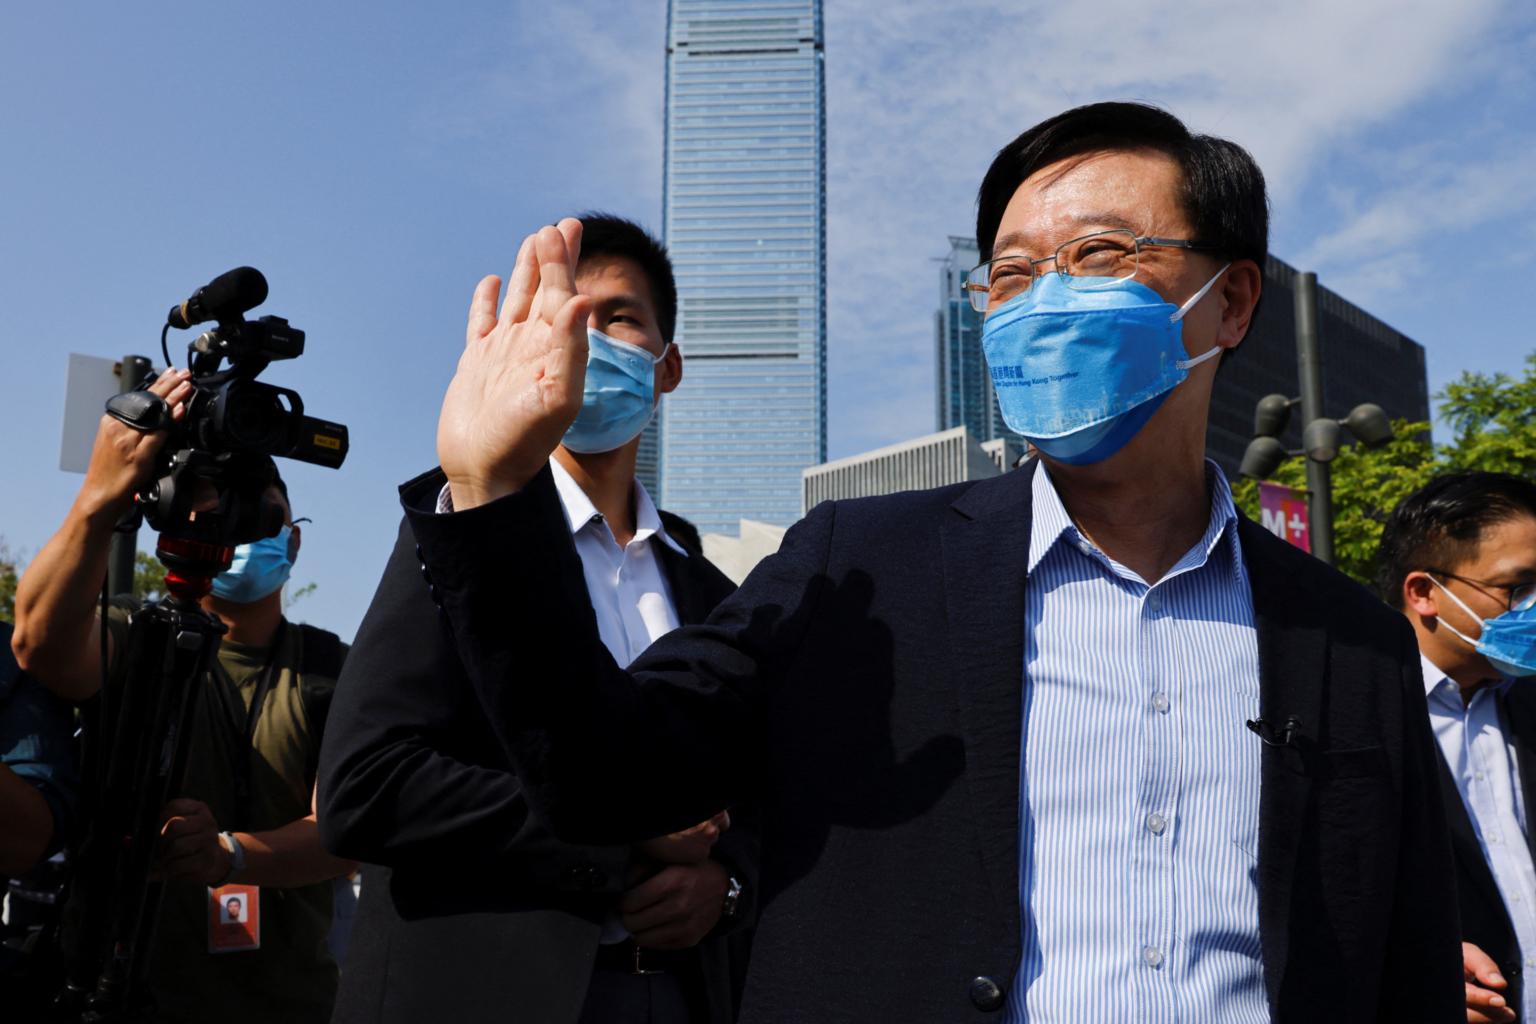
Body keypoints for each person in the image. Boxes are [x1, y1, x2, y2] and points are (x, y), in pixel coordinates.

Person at [366, 102, 1462, 1021]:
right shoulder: (858, 568)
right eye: (1011, 275)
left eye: (1098, 255)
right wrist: (493, 490)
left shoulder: (1352, 642)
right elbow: (607, 773)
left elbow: (1404, 958)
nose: (1044, 300)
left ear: (1229, 300)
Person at [319, 214, 754, 1024]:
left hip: (674, 994)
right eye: (565, 314)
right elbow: (365, 787)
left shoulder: (715, 592)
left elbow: (760, 806)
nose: (586, 336)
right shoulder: (457, 527)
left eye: (619, 316)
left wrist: (725, 885)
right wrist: (623, 833)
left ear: (667, 366)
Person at [10, 404, 357, 1024]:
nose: (236, 528)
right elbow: (39, 642)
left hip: (286, 1005)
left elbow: (347, 830)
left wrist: (229, 856)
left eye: (258, 510)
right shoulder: (135, 635)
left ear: (293, 537)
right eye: (213, 505)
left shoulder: (335, 668)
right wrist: (101, 495)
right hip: (121, 996)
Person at [1377, 471, 1536, 1024]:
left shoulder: (1526, 701)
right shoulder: (1350, 719)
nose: (1532, 608)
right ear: (1425, 593)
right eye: (1518, 587)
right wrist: (1405, 977)